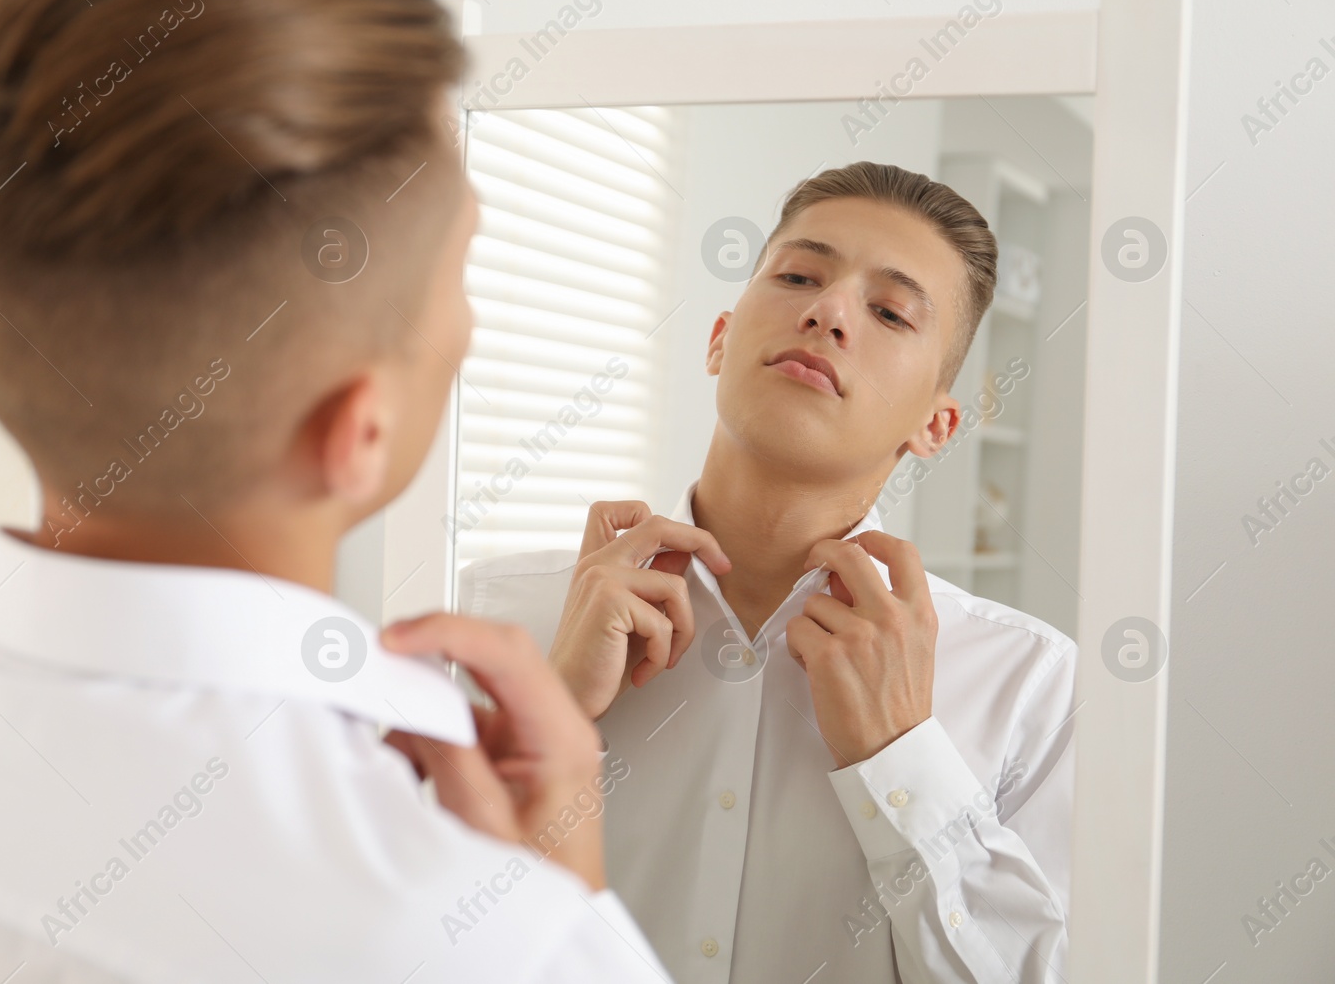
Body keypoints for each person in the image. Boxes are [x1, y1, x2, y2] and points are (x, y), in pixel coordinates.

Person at [0, 0, 670, 980]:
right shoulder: (495, 938)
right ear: (356, 431)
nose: (467, 322)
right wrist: (557, 918)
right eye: (459, 266)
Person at [460, 162, 1076, 984]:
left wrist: (902, 759)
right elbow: (390, 939)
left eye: (889, 311)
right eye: (797, 276)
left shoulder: (1029, 682)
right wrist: (551, 716)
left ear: (936, 423)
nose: (826, 311)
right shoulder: (497, 614)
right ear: (719, 339)